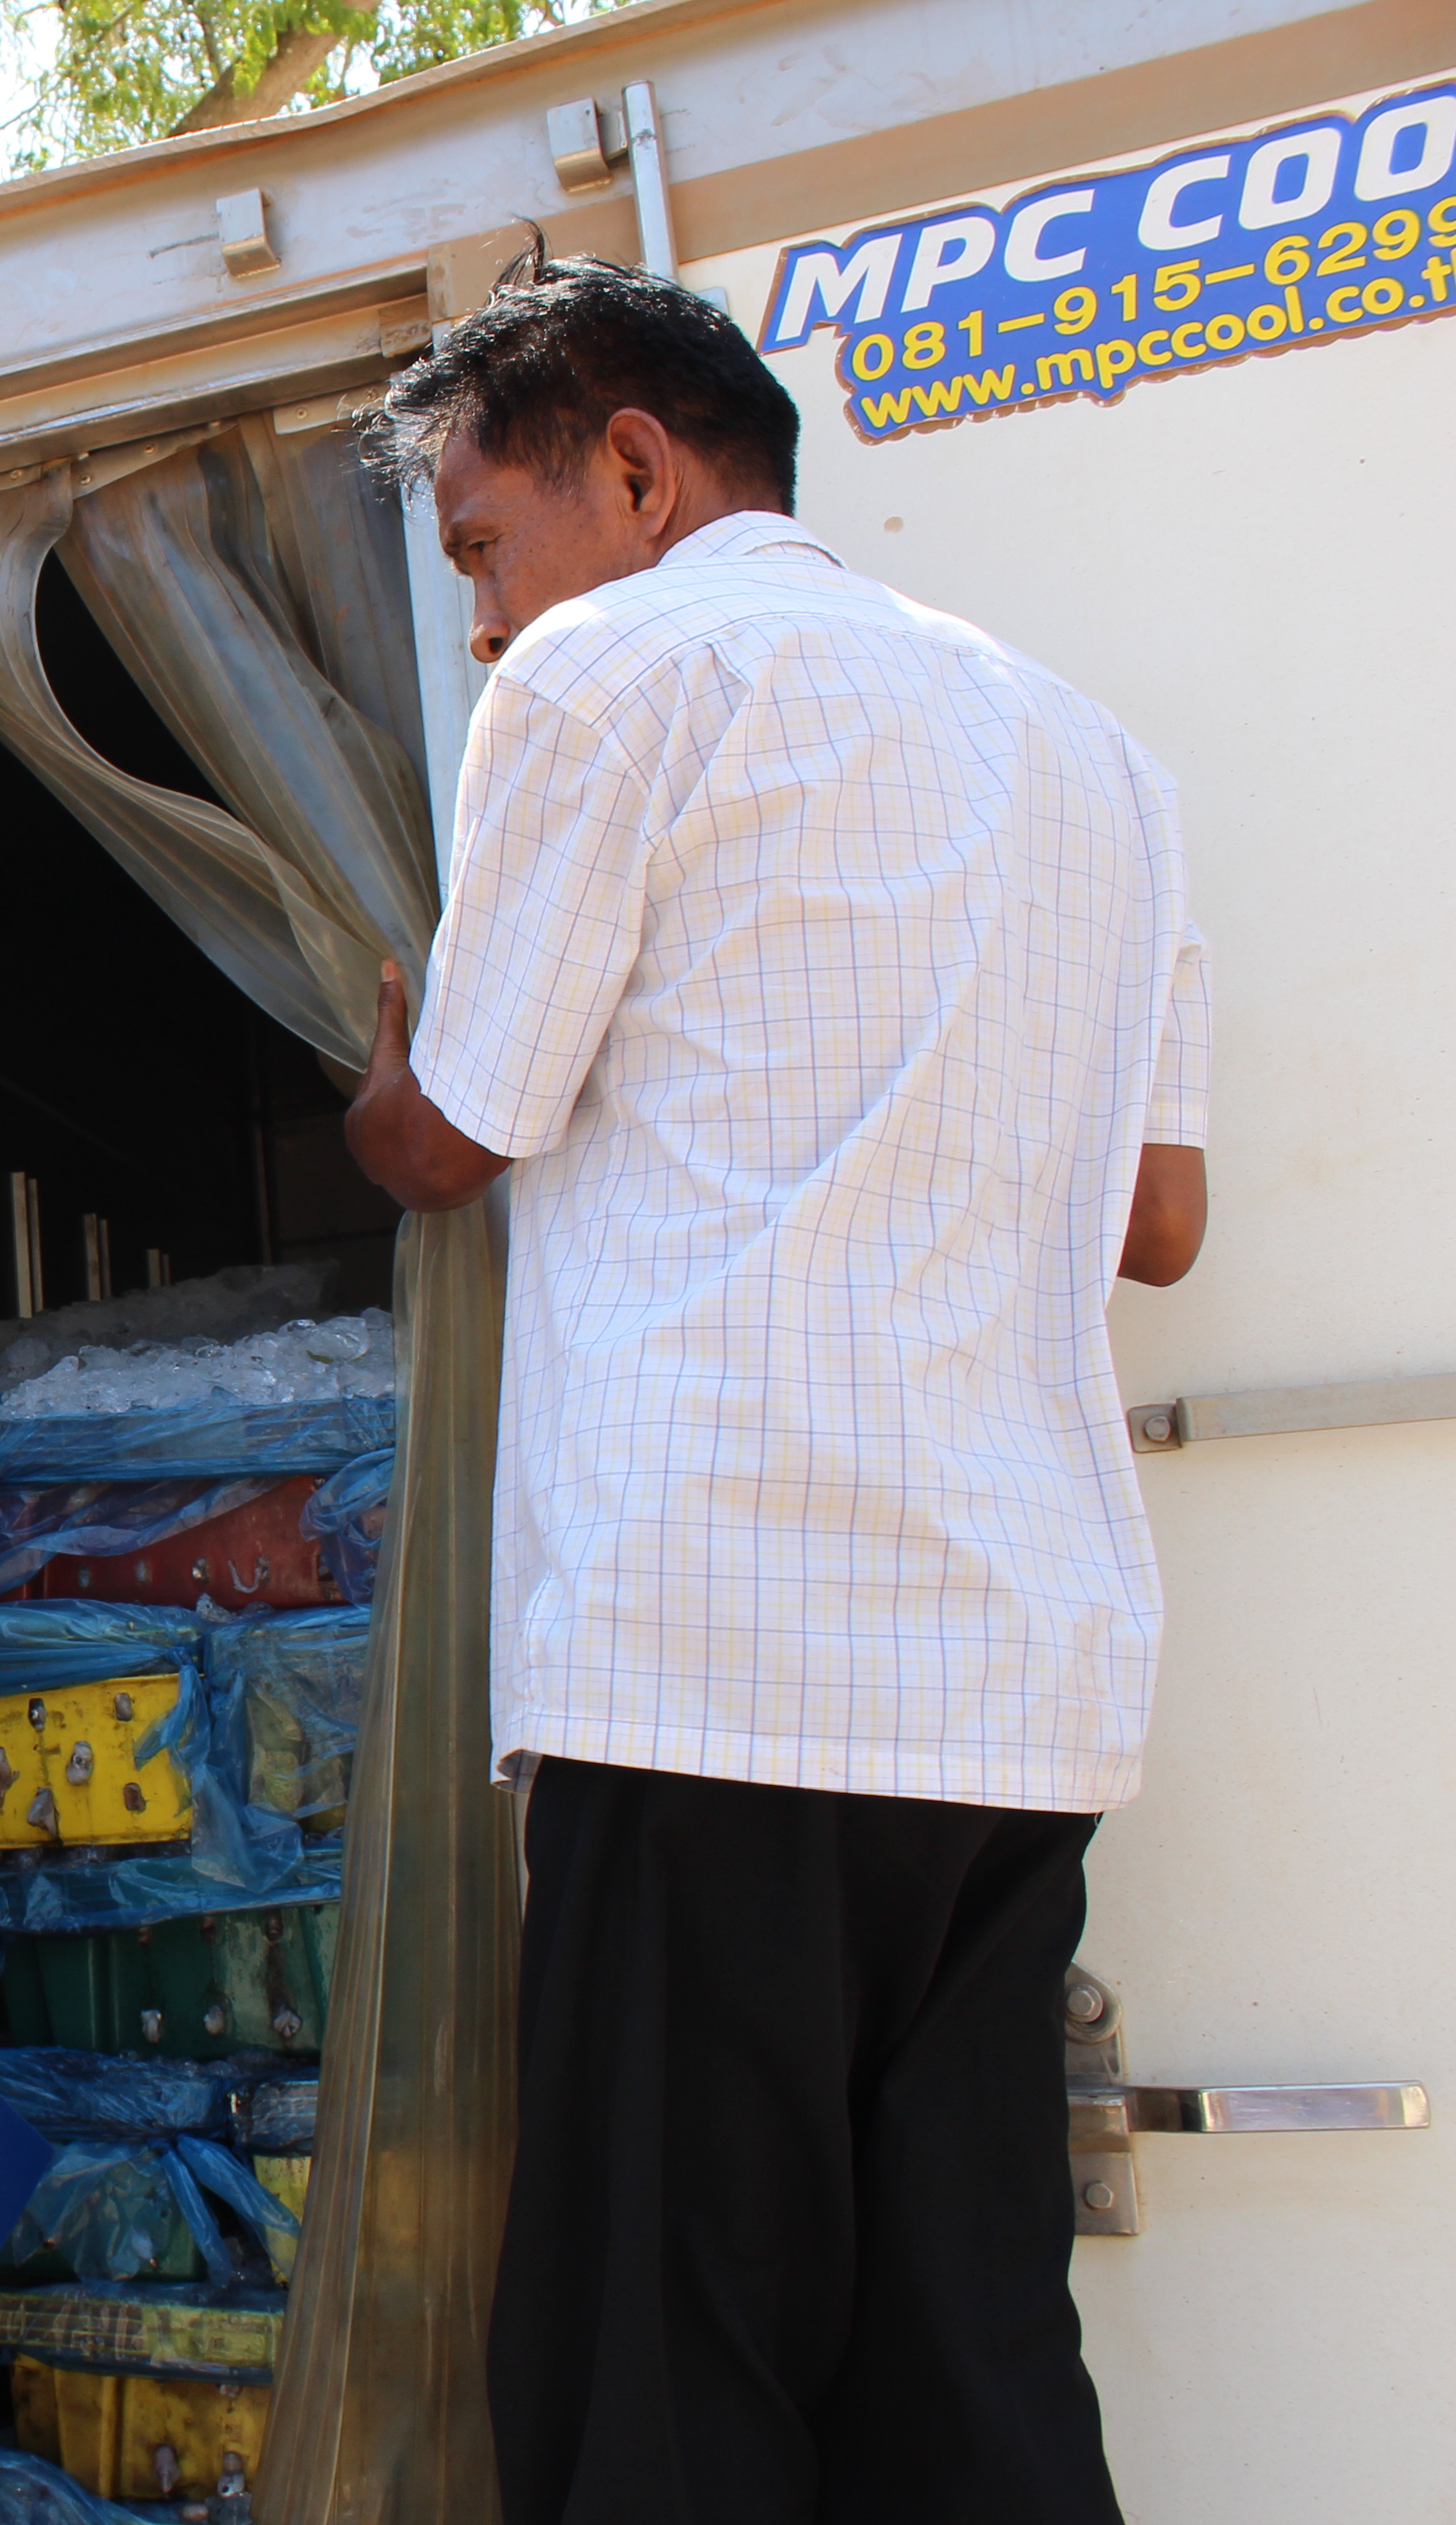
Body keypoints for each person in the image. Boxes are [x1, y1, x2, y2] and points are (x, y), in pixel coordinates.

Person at [343, 257, 1210, 2525]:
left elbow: (463, 1127)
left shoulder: (616, 675)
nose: (482, 625)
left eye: (478, 551)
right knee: (972, 2370)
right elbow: (1165, 1217)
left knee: (661, 2382)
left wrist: (372, 1089)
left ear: (630, 465)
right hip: (1013, 1688)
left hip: (719, 1665)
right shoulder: (1095, 753)